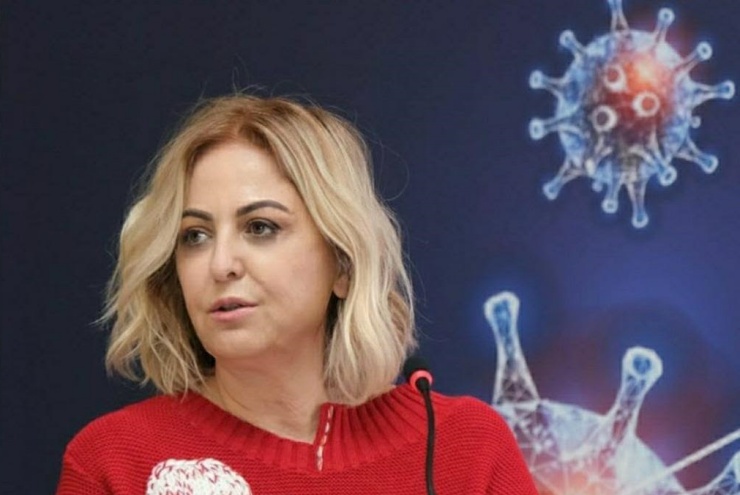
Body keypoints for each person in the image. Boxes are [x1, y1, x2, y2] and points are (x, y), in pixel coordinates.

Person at [56, 94, 539, 495]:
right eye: (195, 236)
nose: (220, 264)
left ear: (343, 264)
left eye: (260, 227)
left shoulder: (466, 447)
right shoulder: (112, 460)